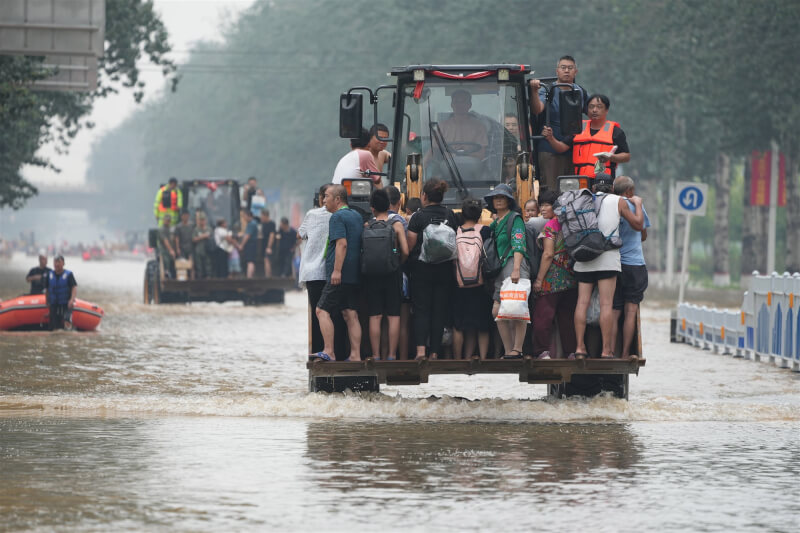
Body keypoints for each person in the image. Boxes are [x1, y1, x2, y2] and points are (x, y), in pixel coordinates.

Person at [572, 174, 644, 359]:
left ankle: (580, 348)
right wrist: (637, 205)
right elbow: (637, 225)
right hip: (607, 258)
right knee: (606, 305)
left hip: (584, 257)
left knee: (582, 303)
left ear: (594, 187)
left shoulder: (582, 199)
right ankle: (606, 351)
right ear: (612, 188)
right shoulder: (618, 201)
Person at [407, 178, 460, 360]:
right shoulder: (451, 215)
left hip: (422, 270)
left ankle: (421, 351)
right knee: (439, 310)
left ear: (424, 196)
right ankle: (435, 352)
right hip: (445, 269)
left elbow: (411, 245)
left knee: (422, 310)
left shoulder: (418, 217)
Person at [310, 184, 364, 362]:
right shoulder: (356, 216)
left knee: (321, 310)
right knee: (350, 314)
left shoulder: (337, 217)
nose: (323, 201)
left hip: (340, 274)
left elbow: (342, 244)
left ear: (338, 199)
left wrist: (336, 271)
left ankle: (329, 351)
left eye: (326, 196)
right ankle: (355, 355)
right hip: (354, 274)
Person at [529, 55, 589, 191]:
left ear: (576, 72)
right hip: (549, 150)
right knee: (552, 190)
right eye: (563, 68)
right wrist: (534, 91)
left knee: (573, 191)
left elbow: (592, 111)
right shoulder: (548, 89)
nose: (566, 71)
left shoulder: (580, 91)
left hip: (573, 150)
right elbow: (537, 109)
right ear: (557, 71)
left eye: (570, 68)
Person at [530, 190, 578, 359]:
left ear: (555, 207)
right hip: (572, 277)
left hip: (553, 278)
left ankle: (542, 351)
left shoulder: (551, 225)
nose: (543, 209)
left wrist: (539, 279)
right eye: (541, 205)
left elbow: (548, 254)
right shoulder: (571, 223)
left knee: (543, 315)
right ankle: (571, 352)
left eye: (547, 205)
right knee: (568, 318)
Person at [484, 184, 529, 359]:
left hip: (514, 264)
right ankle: (509, 350)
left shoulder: (515, 219)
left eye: (502, 197)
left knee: (518, 308)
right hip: (501, 269)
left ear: (509, 200)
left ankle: (517, 349)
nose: (499, 200)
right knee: (498, 310)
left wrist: (516, 269)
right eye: (496, 197)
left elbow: (519, 244)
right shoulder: (495, 224)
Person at [363, 188, 409, 360]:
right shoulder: (396, 225)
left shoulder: (367, 226)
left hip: (372, 274)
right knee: (393, 316)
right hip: (392, 273)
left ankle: (375, 355)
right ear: (389, 205)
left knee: (375, 316)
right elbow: (405, 250)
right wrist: (398, 262)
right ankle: (391, 355)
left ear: (372, 208)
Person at [541, 94, 630, 180]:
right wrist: (551, 138)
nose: (594, 110)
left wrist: (611, 157)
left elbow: (626, 156)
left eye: (599, 107)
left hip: (603, 181)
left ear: (606, 110)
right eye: (591, 107)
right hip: (580, 180)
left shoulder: (615, 131)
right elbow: (561, 148)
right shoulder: (578, 128)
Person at [612, 176, 651, 358]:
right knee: (630, 311)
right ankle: (626, 352)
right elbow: (642, 234)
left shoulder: (612, 206)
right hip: (635, 265)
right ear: (629, 191)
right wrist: (638, 205)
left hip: (615, 265)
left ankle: (609, 352)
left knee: (614, 310)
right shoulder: (636, 206)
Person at [452, 198, 493, 360]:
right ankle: (483, 359)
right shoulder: (486, 231)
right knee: (482, 325)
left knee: (461, 325)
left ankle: (460, 359)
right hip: (480, 284)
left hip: (459, 283)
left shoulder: (456, 231)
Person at [299, 184, 333, 354]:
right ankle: (333, 350)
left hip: (312, 272)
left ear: (320, 198)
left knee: (316, 313)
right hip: (331, 272)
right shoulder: (339, 215)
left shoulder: (312, 214)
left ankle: (319, 350)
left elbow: (301, 233)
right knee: (330, 312)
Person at [386, 185, 412, 360]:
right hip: (398, 275)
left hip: (376, 275)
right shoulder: (399, 222)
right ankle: (398, 357)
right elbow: (406, 249)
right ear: (400, 201)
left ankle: (379, 355)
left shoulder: (371, 221)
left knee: (379, 319)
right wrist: (399, 264)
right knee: (401, 320)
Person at [438, 89, 488, 159]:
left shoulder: (479, 126)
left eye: (463, 101)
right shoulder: (442, 126)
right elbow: (435, 149)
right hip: (448, 165)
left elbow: (481, 154)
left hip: (473, 166)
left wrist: (464, 154)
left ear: (470, 104)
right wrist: (424, 162)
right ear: (451, 104)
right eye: (456, 101)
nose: (460, 104)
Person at [45, 255, 77, 330]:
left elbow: (74, 287)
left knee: (67, 321)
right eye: (55, 262)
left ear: (63, 263)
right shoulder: (49, 275)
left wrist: (72, 300)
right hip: (54, 304)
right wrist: (47, 301)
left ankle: (69, 329)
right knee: (55, 326)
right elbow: (47, 289)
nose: (57, 264)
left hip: (66, 304)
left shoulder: (69, 275)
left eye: (58, 262)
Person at [238, 209, 259, 278]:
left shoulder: (251, 224)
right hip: (252, 245)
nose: (244, 218)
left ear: (248, 216)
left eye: (244, 216)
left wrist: (242, 245)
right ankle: (251, 276)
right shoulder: (253, 223)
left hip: (250, 245)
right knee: (251, 261)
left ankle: (249, 277)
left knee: (250, 261)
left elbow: (247, 236)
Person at [191, 213, 213, 279]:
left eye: (203, 220)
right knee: (199, 265)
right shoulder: (196, 229)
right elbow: (194, 239)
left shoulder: (209, 229)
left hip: (207, 249)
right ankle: (199, 278)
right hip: (199, 250)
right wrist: (202, 236)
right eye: (201, 220)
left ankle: (208, 277)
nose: (202, 222)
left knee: (208, 264)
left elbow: (212, 238)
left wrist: (207, 236)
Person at [261, 209, 277, 277]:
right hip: (265, 245)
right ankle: (267, 275)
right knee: (266, 260)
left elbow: (272, 235)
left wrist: (269, 247)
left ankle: (268, 276)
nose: (261, 218)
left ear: (266, 216)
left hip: (269, 246)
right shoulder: (263, 224)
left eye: (262, 216)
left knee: (267, 260)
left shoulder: (271, 224)